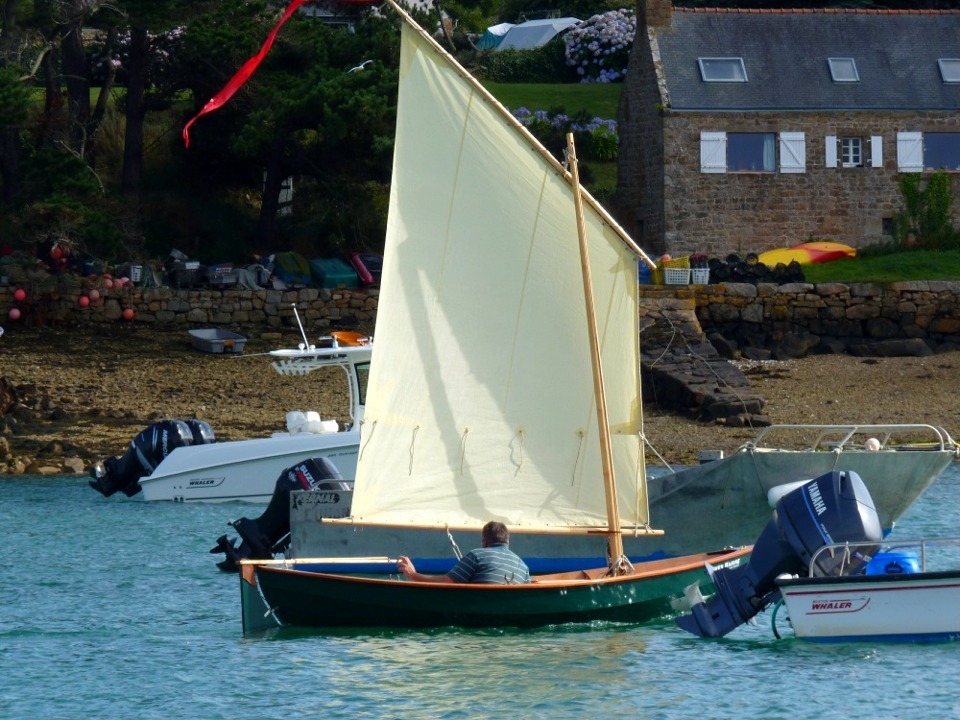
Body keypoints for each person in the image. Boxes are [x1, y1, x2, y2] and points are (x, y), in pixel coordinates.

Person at [397, 521, 530, 584]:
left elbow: (447, 582)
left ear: (484, 542)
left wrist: (414, 575)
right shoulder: (523, 566)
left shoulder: (477, 555)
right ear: (507, 541)